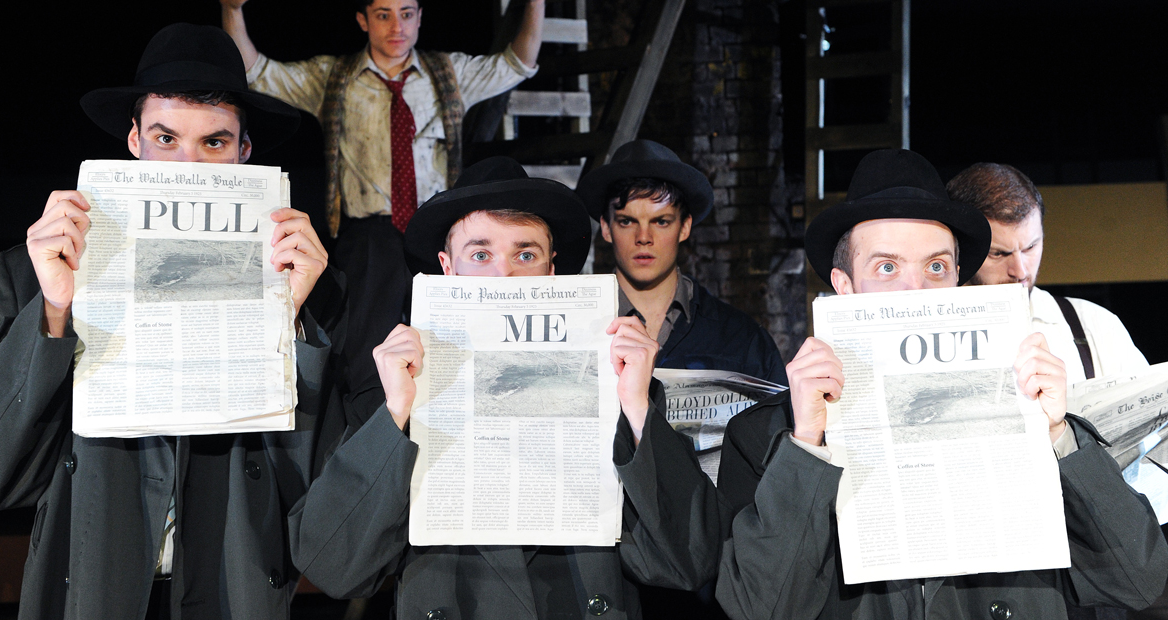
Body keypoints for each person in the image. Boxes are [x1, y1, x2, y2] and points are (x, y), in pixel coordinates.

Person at [0, 24, 382, 620]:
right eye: (167, 138)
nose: (187, 165)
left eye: (214, 143)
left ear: (245, 153)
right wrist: (55, 312)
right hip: (95, 587)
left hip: (231, 590)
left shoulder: (310, 285)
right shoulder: (34, 271)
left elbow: (325, 504)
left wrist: (287, 321)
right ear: (135, 140)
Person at [714, 149, 1168, 619]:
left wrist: (1058, 435)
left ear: (956, 280)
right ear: (844, 286)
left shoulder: (1036, 418)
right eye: (887, 268)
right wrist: (806, 446)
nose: (917, 291)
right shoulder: (765, 437)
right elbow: (758, 609)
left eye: (935, 267)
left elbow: (1138, 578)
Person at [283, 157, 725, 620]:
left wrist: (636, 408)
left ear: (551, 273)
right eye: (480, 255)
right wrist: (394, 414)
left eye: (525, 255)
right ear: (446, 269)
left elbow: (687, 563)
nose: (503, 277)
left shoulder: (617, 391)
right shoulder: (396, 392)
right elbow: (333, 567)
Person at [221, 0, 547, 375]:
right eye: (383, 15)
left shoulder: (447, 71)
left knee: (449, 342)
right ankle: (372, 425)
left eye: (407, 14)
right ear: (362, 19)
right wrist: (232, 10)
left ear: (420, 17)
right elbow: (257, 71)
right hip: (370, 236)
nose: (397, 26)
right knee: (366, 349)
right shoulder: (334, 76)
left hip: (435, 229)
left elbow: (517, 62)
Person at [578, 139, 787, 385]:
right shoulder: (579, 333)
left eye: (661, 221)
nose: (643, 238)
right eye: (627, 221)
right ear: (606, 228)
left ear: (684, 227)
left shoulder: (742, 338)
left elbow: (780, 422)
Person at [947, 162, 1148, 383]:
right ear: (960, 249)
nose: (1020, 271)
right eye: (998, 253)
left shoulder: (1096, 326)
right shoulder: (932, 338)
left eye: (1030, 247)